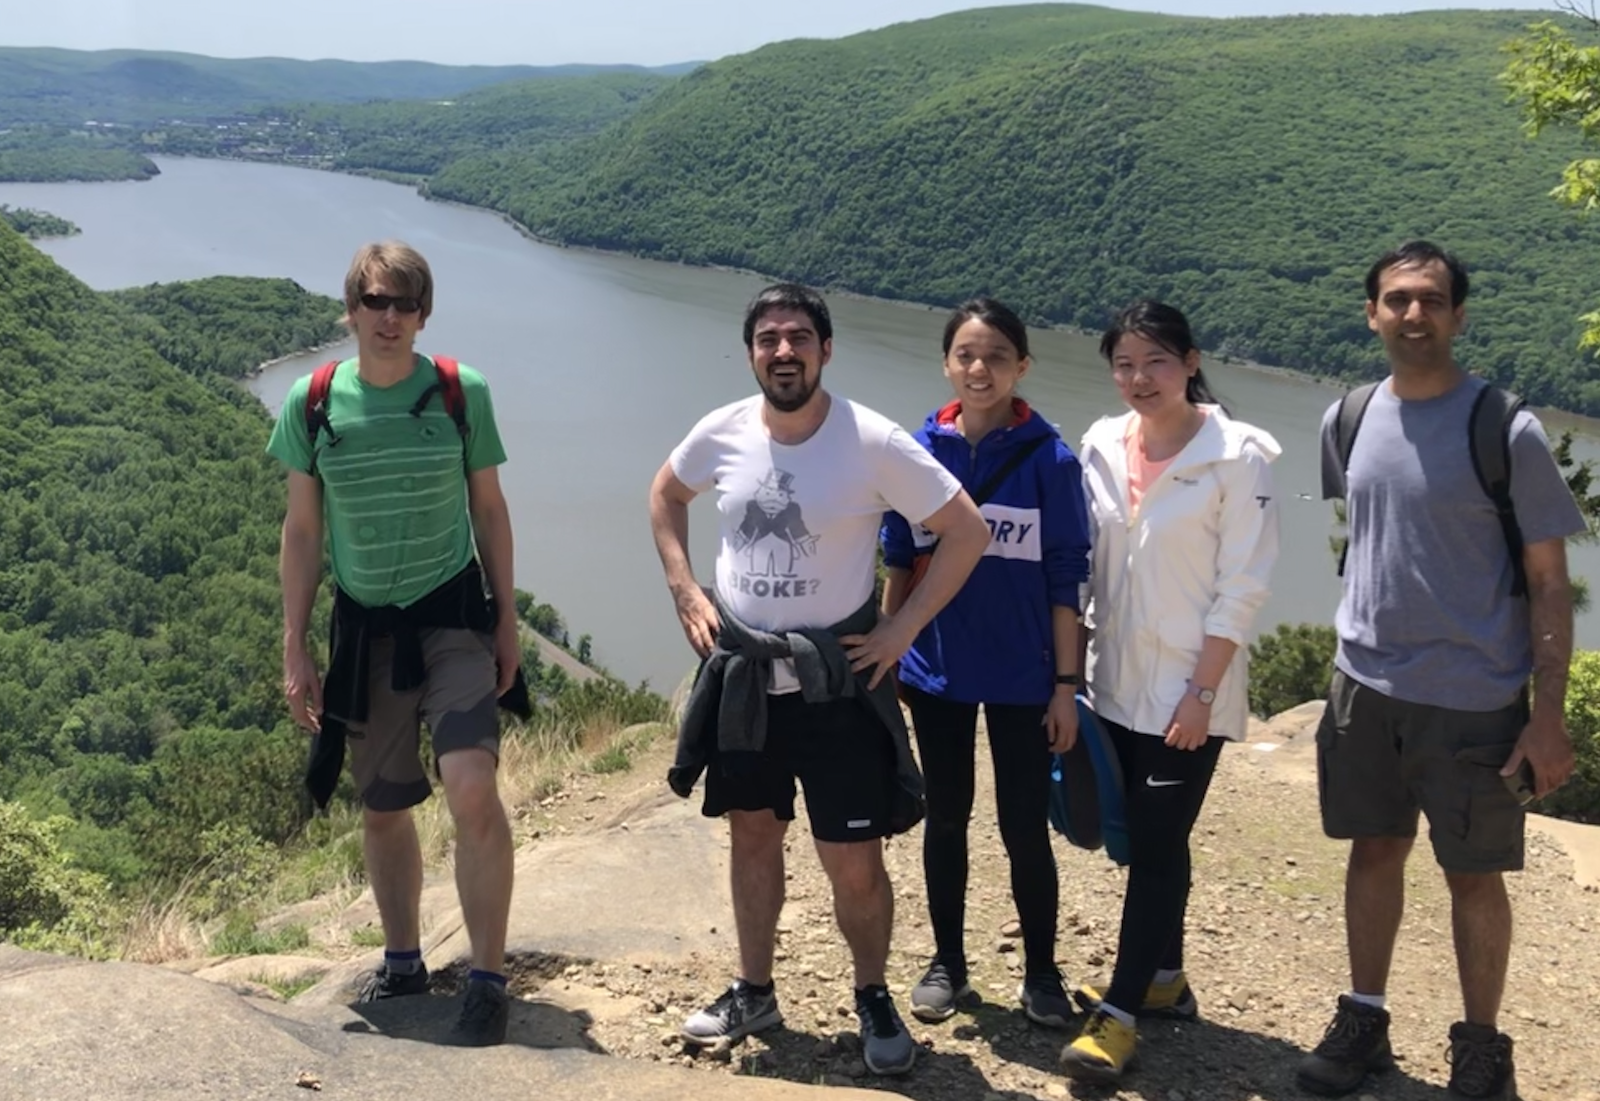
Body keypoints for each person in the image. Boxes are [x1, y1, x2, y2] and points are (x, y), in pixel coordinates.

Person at [649, 283, 990, 1076]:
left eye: (798, 337)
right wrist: (683, 587)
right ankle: (755, 986)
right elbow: (665, 495)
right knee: (753, 833)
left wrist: (902, 628)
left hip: (838, 682)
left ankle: (872, 993)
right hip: (744, 679)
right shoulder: (722, 431)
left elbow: (965, 530)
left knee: (855, 858)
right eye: (768, 339)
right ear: (751, 354)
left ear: (825, 349)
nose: (783, 351)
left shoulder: (870, 439)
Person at [1296, 242, 1585, 1101]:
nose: (1413, 314)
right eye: (1396, 299)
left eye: (1430, 300)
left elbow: (1547, 582)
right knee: (1372, 850)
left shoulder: (1505, 428)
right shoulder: (1345, 417)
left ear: (1459, 316)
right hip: (1365, 686)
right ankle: (1364, 1020)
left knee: (1474, 873)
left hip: (1473, 698)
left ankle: (1483, 1049)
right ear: (1372, 313)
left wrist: (1547, 714)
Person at [269, 241, 525, 1047]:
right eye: (375, 301)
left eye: (405, 304)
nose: (389, 317)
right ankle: (404, 958)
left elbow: (489, 507)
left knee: (471, 785)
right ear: (349, 311)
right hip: (365, 628)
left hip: (451, 616)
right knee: (383, 809)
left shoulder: (459, 393)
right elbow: (303, 530)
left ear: (424, 314)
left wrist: (506, 616)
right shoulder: (313, 402)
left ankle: (485, 976)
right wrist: (295, 644)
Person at [1060, 299, 1281, 1084]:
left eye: (1156, 361)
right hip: (1113, 682)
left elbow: (1244, 586)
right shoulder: (1098, 442)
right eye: (1124, 363)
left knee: (1155, 845)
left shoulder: (1240, 454)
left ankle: (1119, 1016)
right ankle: (1166, 977)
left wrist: (1202, 692)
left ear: (1190, 362)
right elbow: (1082, 566)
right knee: (1147, 837)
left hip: (1191, 694)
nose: (1138, 378)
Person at [879, 297, 1092, 1028]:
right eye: (967, 354)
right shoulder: (917, 451)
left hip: (1023, 676)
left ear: (1022, 367)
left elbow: (1067, 577)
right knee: (947, 818)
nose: (980, 368)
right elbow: (899, 558)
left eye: (997, 355)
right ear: (947, 362)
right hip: (938, 669)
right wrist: (891, 646)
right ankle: (949, 962)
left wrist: (1065, 686)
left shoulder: (1051, 460)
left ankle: (1041, 971)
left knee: (1024, 826)